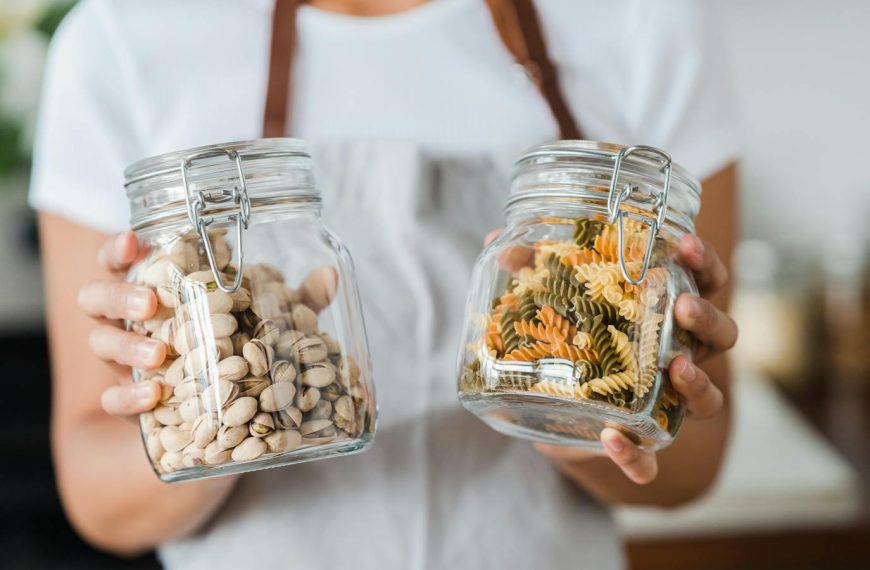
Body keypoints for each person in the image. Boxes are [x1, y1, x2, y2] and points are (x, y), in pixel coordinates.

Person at [31, 0, 739, 568]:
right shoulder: (121, 37)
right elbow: (99, 500)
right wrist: (228, 405)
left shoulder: (648, 18)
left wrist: (578, 414)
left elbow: (694, 467)